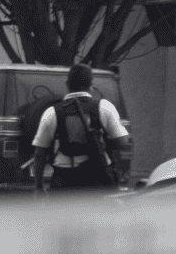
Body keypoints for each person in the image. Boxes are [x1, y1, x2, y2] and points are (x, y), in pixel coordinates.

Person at [33, 64, 130, 199]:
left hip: (63, 180)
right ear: (91, 84)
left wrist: (39, 185)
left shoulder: (52, 112)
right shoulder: (104, 107)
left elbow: (40, 153)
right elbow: (123, 143)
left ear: (67, 84)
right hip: (97, 177)